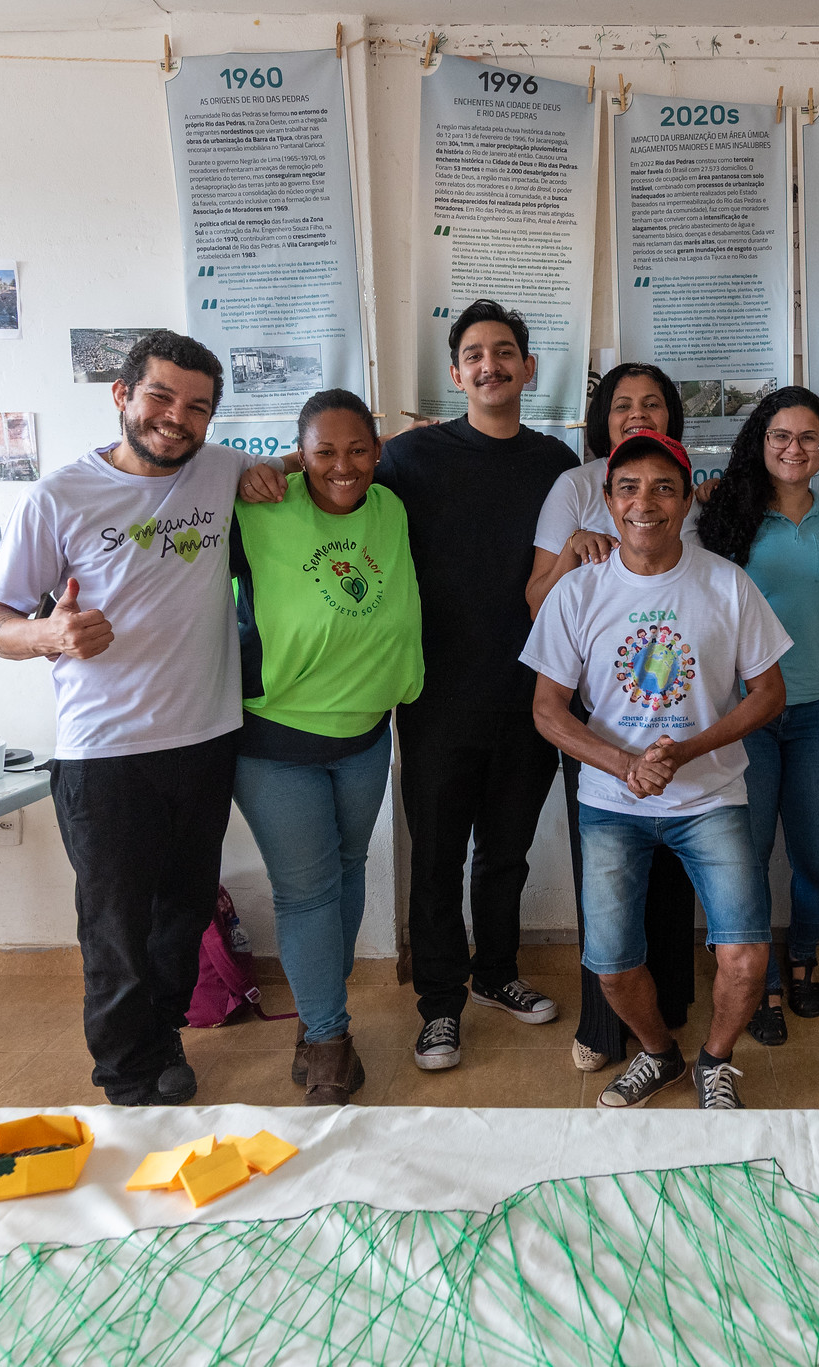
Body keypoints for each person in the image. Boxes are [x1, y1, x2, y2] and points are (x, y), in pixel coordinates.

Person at [243, 299, 575, 1074]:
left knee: (508, 851)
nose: (490, 365)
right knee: (437, 857)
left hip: (535, 691)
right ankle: (440, 1006)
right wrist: (283, 465)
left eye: (504, 352)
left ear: (527, 368)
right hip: (434, 698)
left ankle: (496, 973)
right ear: (456, 372)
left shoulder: (557, 463)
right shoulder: (413, 459)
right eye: (473, 354)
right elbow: (339, 464)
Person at [0, 330, 264, 1105]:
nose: (178, 418)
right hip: (103, 752)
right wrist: (46, 634)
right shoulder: (58, 496)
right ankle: (128, 1074)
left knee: (184, 911)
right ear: (122, 396)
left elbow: (318, 457)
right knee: (114, 924)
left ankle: (161, 1035)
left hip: (206, 737)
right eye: (162, 397)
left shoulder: (219, 468)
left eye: (197, 407)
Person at [522, 431, 791, 1109]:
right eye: (630, 488)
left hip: (712, 795)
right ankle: (660, 1054)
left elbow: (769, 692)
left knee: (746, 954)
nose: (647, 502)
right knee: (610, 963)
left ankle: (716, 1060)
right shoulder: (577, 593)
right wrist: (625, 765)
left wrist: (690, 751)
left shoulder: (726, 583)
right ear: (608, 502)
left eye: (665, 487)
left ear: (685, 500)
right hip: (614, 802)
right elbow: (548, 711)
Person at [229, 389, 422, 1105]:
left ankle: (317, 1015)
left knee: (345, 869)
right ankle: (331, 1038)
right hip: (277, 737)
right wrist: (269, 469)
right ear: (298, 454)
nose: (342, 466)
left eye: (357, 450)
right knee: (306, 890)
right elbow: (180, 511)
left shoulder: (392, 509)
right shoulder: (257, 508)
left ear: (378, 451)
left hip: (368, 732)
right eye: (323, 452)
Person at [526, 362, 700, 1075]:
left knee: (672, 863)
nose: (637, 414)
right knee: (605, 868)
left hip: (677, 710)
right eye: (623, 404)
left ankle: (671, 1006)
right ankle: (605, 1019)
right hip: (598, 718)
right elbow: (538, 600)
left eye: (652, 402)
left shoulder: (690, 488)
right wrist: (573, 552)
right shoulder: (576, 487)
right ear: (601, 418)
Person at [696, 387, 819, 1046]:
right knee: (748, 857)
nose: (794, 448)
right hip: (745, 714)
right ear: (760, 443)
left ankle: (801, 953)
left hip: (818, 707)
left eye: (808, 437)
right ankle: (755, 980)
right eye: (780, 436)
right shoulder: (725, 517)